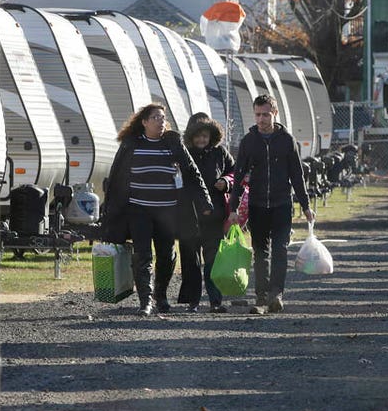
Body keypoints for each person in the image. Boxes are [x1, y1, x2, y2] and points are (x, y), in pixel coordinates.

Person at [100, 104, 213, 316]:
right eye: (155, 118)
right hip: (138, 209)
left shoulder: (173, 142)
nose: (161, 122)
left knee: (166, 254)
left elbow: (192, 172)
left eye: (163, 118)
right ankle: (145, 302)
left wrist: (204, 201)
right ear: (144, 122)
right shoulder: (131, 144)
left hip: (167, 210)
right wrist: (110, 208)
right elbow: (116, 176)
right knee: (142, 255)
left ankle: (159, 295)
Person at [231, 95, 315, 313]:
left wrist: (305, 206)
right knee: (260, 252)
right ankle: (260, 297)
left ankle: (276, 294)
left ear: (274, 114)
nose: (261, 119)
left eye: (265, 114)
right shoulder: (249, 142)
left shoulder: (286, 140)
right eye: (257, 114)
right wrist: (233, 209)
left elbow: (297, 175)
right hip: (257, 205)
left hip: (281, 204)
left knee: (280, 249)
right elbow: (239, 175)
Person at [179, 113, 235, 313]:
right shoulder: (183, 153)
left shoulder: (220, 152)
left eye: (205, 136)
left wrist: (227, 182)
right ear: (190, 136)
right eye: (198, 136)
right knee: (191, 262)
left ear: (212, 135)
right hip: (189, 216)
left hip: (214, 216)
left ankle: (215, 301)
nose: (202, 140)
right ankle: (192, 302)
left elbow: (235, 171)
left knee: (213, 260)